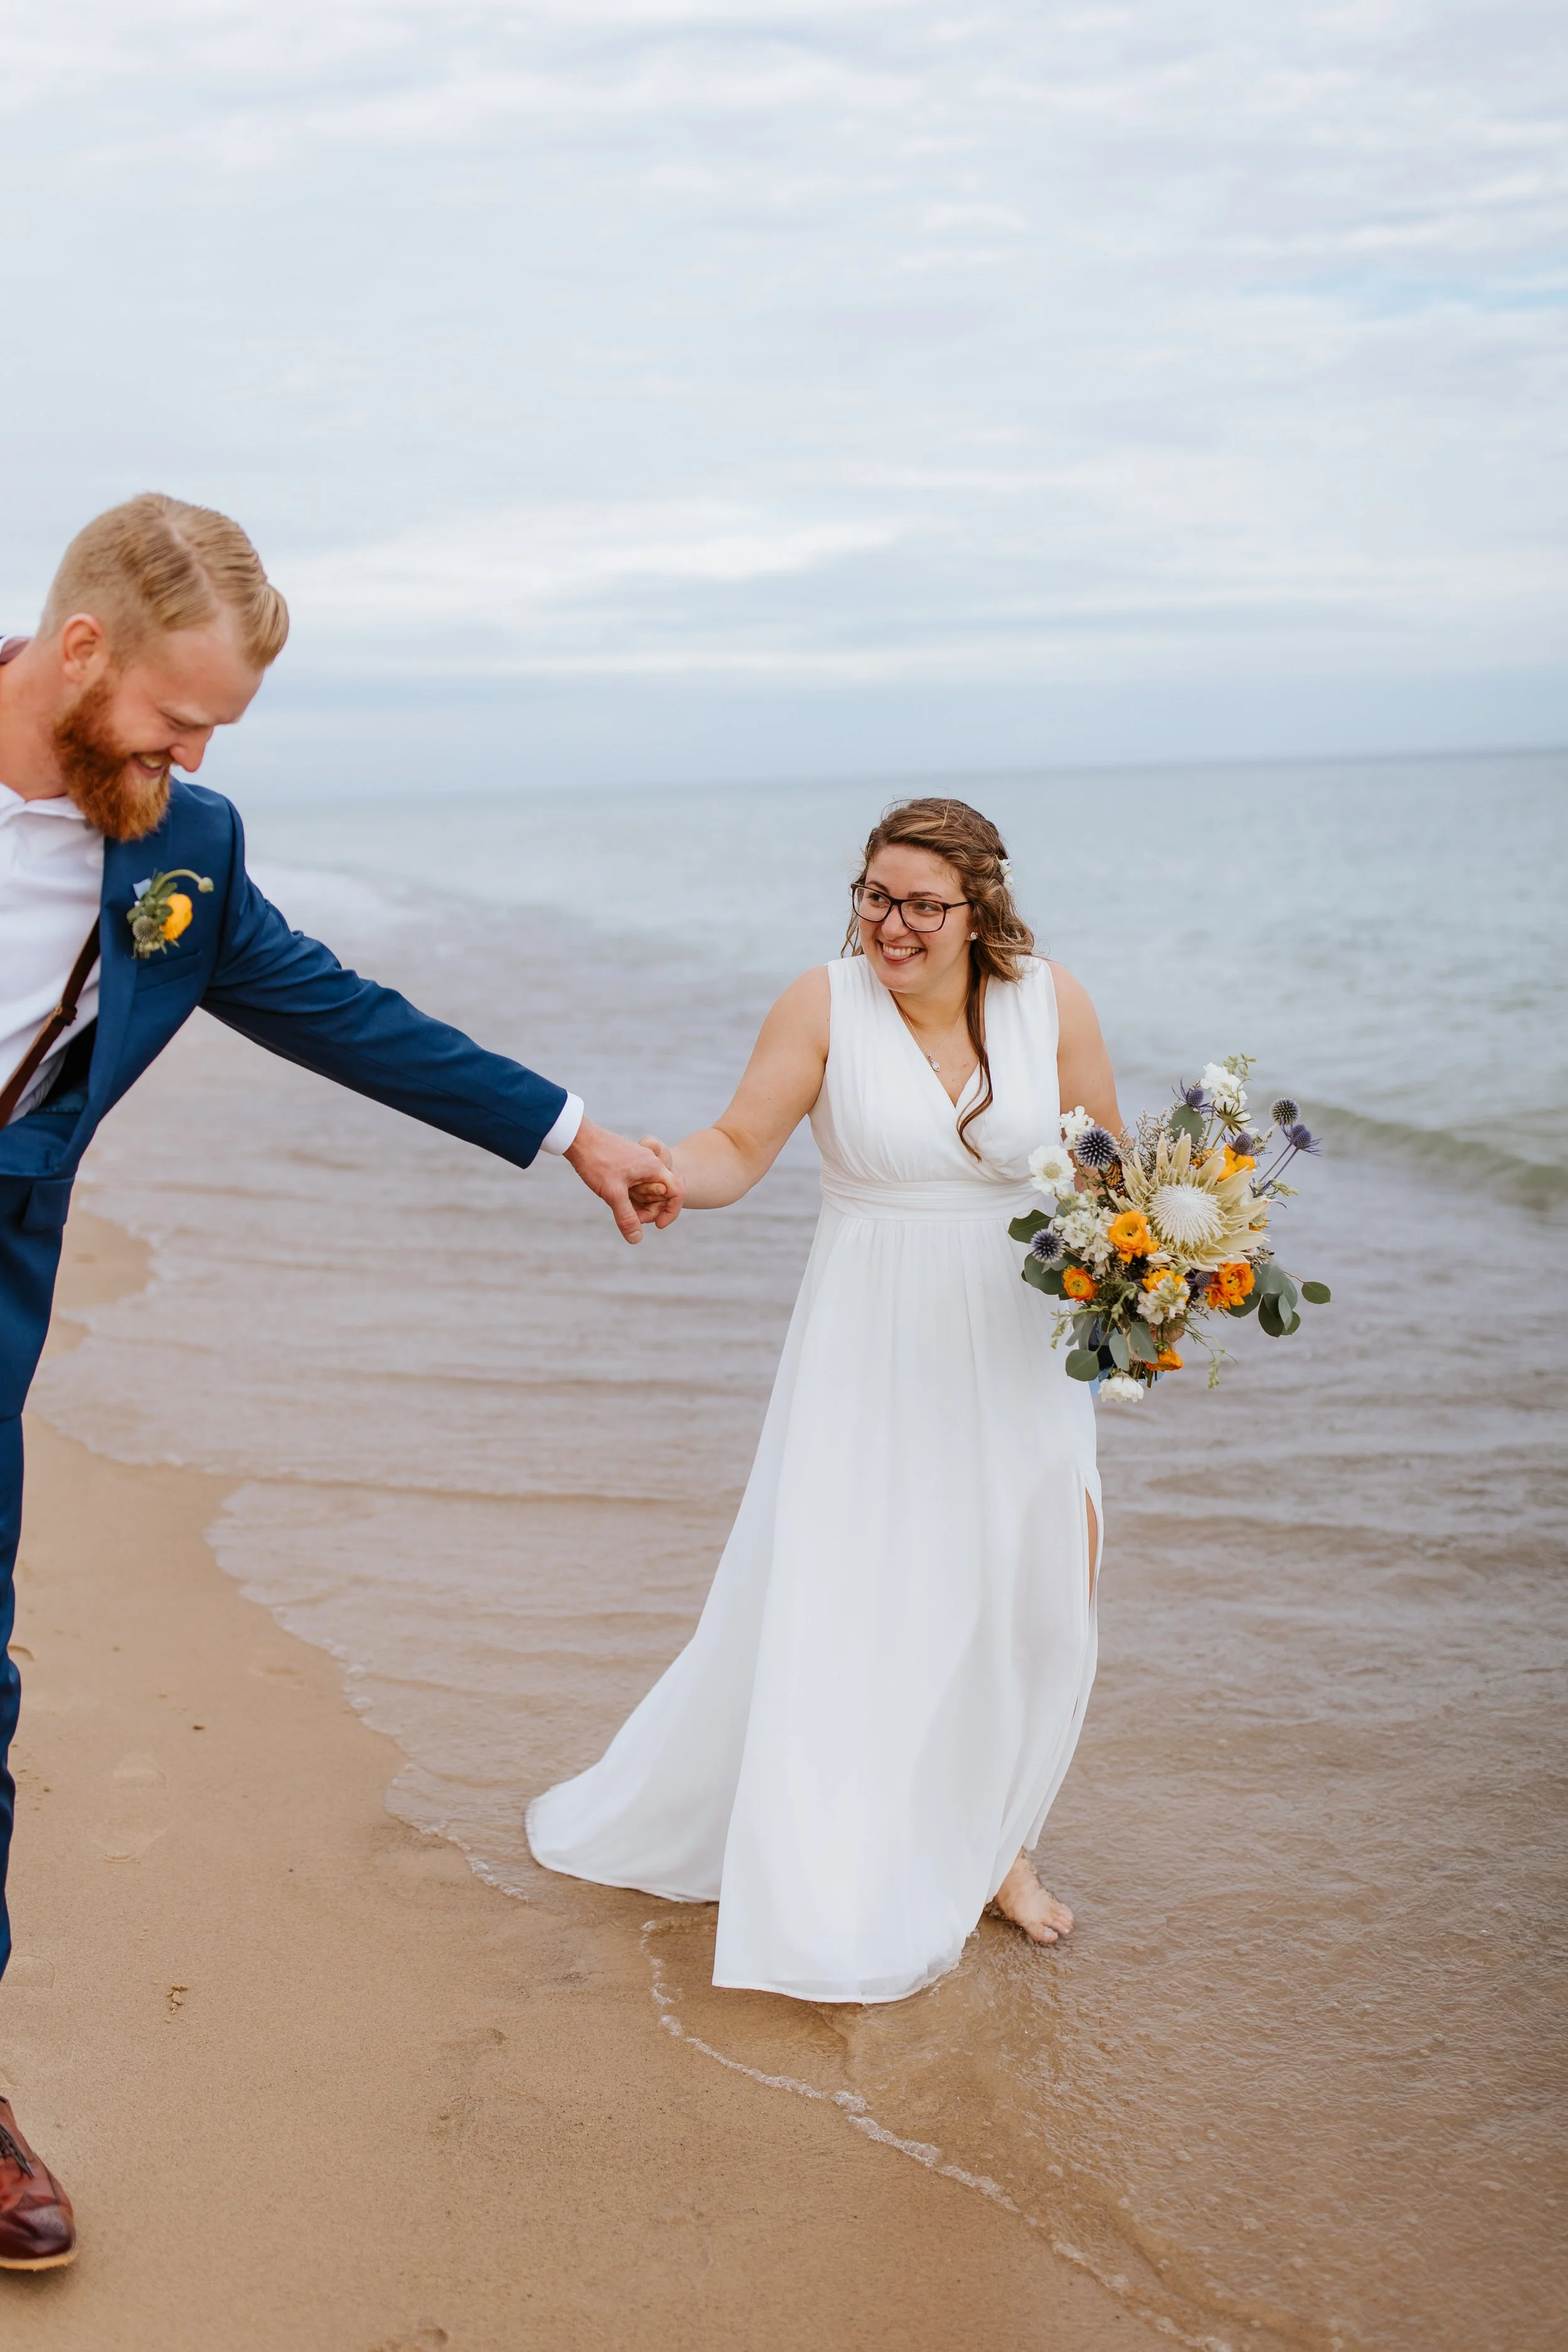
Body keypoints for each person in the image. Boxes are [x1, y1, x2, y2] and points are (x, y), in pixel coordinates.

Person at [0, 493, 683, 2270]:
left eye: (217, 728)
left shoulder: (182, 847)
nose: (192, 751)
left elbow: (334, 1005)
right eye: (175, 713)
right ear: (81, 650)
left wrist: (570, 1129)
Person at [528, 796, 1121, 2005]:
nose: (890, 925)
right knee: (875, 1594)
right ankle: (894, 1844)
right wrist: (662, 1171)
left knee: (1037, 1598)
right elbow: (740, 1145)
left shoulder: (1050, 999)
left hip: (1016, 1340)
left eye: (920, 904)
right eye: (873, 894)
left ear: (978, 909)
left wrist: (1153, 1265)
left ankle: (997, 1834)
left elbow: (1107, 1157)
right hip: (872, 1336)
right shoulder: (824, 1002)